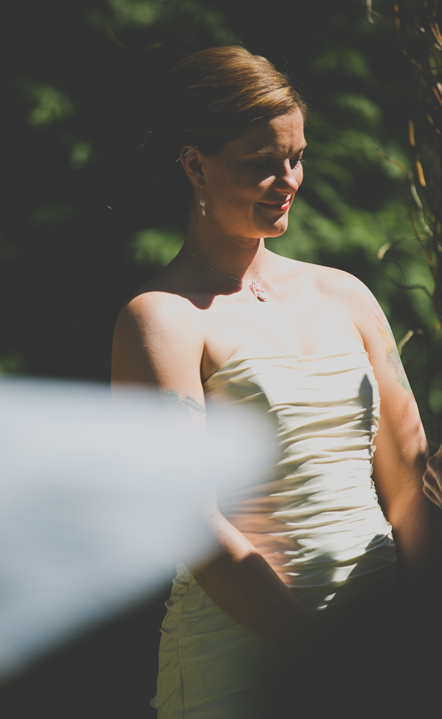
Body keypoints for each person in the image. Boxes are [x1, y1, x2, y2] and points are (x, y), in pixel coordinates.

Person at [112, 46, 442, 717]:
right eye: (261, 163)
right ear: (195, 164)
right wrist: (317, 646)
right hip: (244, 654)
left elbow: (408, 478)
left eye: (296, 156)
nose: (287, 178)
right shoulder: (161, 320)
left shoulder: (345, 294)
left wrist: (416, 627)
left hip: (376, 639)